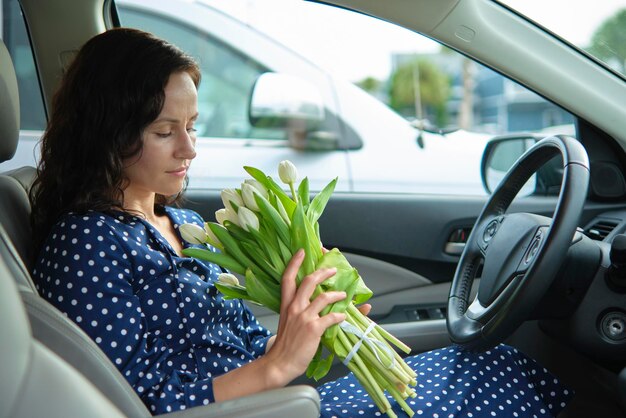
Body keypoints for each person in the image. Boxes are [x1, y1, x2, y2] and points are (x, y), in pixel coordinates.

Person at [31, 28, 572, 417]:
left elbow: (229, 336)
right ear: (108, 130)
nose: (189, 148)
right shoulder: (88, 244)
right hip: (265, 404)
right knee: (488, 380)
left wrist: (313, 329)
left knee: (493, 360)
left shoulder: (169, 216)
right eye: (164, 131)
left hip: (278, 393)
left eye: (192, 125)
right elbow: (127, 401)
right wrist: (277, 366)